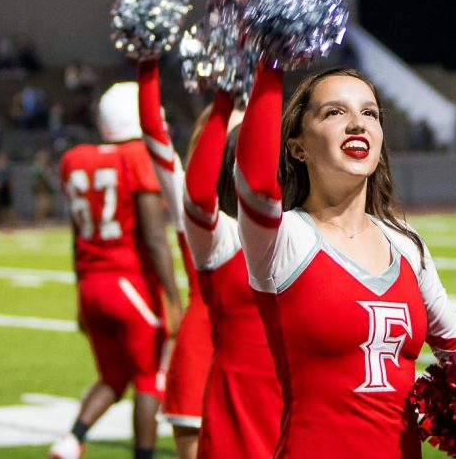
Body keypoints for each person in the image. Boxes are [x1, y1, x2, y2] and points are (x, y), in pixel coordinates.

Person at [234, 63, 456, 458]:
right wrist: (269, 68)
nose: (357, 124)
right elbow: (253, 184)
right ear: (298, 146)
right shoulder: (284, 239)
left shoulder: (406, 244)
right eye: (334, 112)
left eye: (369, 113)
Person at [50, 82, 183, 459]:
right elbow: (155, 238)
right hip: (131, 283)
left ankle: (72, 439)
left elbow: (77, 239)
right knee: (148, 380)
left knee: (113, 376)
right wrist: (173, 299)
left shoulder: (75, 158)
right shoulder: (136, 156)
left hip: (92, 284)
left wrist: (79, 295)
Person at [181, 89, 282, 458]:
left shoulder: (302, 233)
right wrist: (226, 95)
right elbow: (195, 196)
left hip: (300, 408)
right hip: (238, 412)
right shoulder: (222, 236)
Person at [137, 61, 214, 459]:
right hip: (202, 345)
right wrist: (147, 59)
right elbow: (154, 134)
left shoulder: (276, 206)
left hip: (261, 353)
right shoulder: (192, 205)